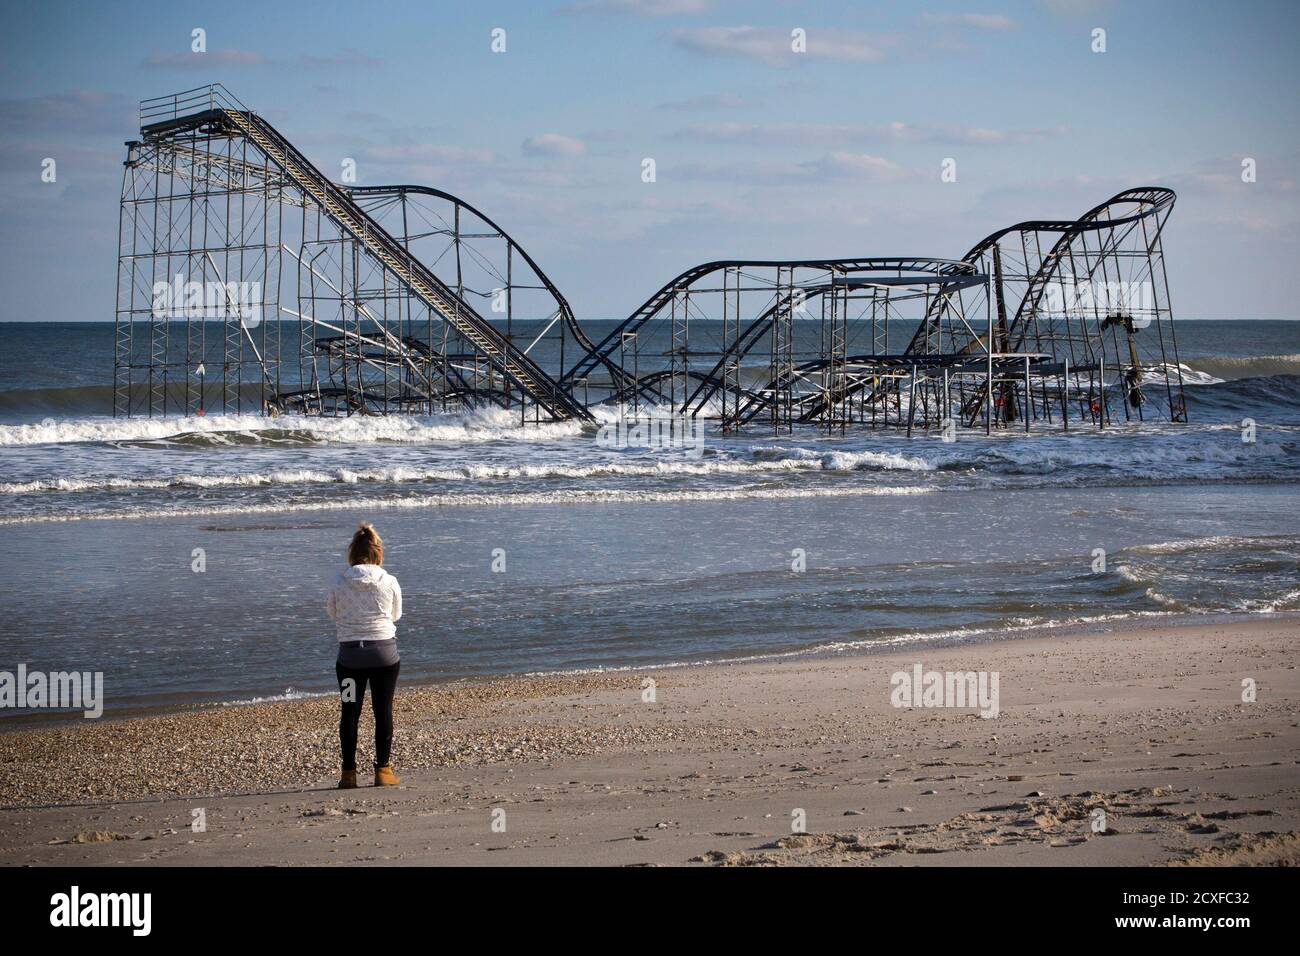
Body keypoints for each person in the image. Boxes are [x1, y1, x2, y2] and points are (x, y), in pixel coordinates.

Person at [326, 522, 403, 788]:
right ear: (377, 552)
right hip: (384, 657)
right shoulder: (390, 580)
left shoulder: (339, 581)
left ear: (352, 552)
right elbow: (396, 615)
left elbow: (332, 614)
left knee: (350, 712)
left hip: (350, 661)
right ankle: (383, 770)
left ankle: (348, 774)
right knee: (383, 710)